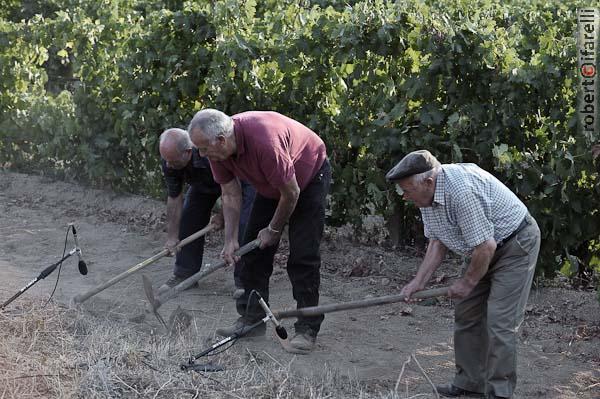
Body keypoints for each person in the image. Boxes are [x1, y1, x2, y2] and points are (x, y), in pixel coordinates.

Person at [387, 150, 541, 399]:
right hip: (483, 248)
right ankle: (469, 384)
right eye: (402, 191)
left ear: (428, 182)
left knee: (500, 322)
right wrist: (418, 282)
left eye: (407, 190)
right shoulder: (426, 197)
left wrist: (468, 282)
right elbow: (437, 241)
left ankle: (499, 393)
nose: (404, 197)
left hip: (515, 245)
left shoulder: (460, 192)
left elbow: (486, 246)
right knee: (467, 312)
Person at [187, 109, 331, 354]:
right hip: (272, 186)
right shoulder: (217, 151)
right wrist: (230, 240)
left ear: (221, 140)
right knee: (250, 252)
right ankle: (251, 321)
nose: (201, 155)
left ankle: (307, 328)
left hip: (308, 178)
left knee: (303, 256)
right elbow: (230, 194)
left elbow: (292, 192)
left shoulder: (265, 142)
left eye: (204, 149)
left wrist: (273, 229)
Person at [158, 128, 255, 296]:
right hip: (203, 183)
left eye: (172, 161)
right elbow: (174, 197)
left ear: (188, 152)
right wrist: (172, 237)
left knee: (244, 225)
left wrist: (223, 216)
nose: (168, 165)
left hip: (240, 183)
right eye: (166, 160)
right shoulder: (170, 158)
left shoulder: (209, 153)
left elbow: (232, 192)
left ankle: (246, 281)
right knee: (188, 219)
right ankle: (184, 274)